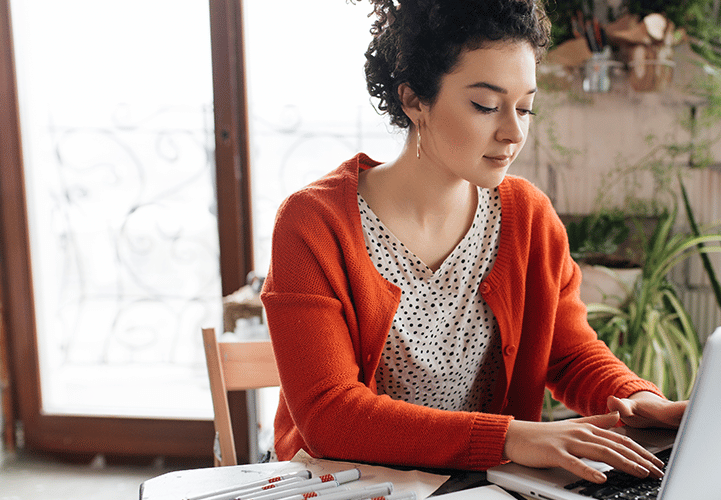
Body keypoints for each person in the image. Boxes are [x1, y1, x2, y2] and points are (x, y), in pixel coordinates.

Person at [260, 0, 687, 484]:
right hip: (349, 487)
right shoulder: (312, 225)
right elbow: (330, 417)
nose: (513, 132)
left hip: (480, 488)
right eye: (486, 105)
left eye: (525, 107)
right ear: (414, 100)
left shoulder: (528, 217)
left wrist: (643, 402)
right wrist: (510, 437)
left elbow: (568, 355)